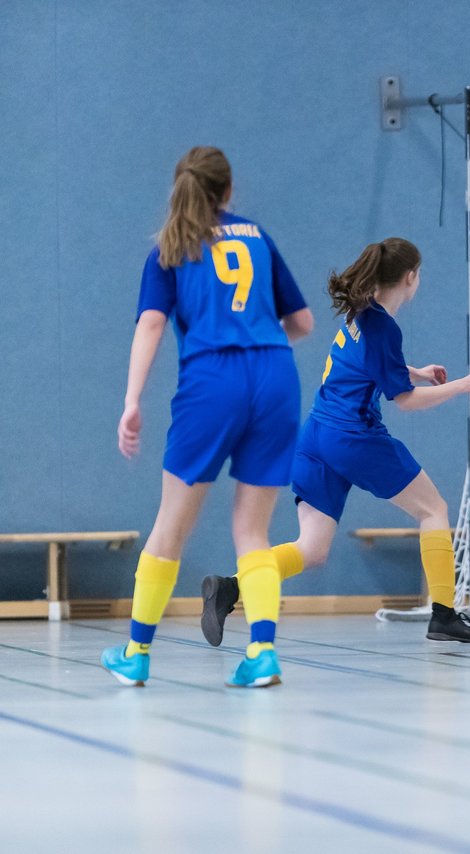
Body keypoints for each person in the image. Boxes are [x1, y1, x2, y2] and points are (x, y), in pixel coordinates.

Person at [200, 238, 470, 646]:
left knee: (312, 549)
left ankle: (230, 587)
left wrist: (417, 371)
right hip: (353, 437)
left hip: (315, 438)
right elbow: (405, 402)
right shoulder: (384, 326)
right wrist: (463, 386)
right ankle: (443, 615)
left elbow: (368, 364)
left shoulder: (362, 314)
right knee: (434, 509)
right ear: (410, 278)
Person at [103, 146, 314, 688]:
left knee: (172, 524)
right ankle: (262, 651)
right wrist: (260, 344)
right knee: (253, 528)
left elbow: (151, 326)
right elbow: (304, 322)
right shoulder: (257, 237)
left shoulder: (170, 247)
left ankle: (136, 652)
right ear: (228, 190)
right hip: (275, 376)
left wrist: (131, 401)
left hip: (211, 381)